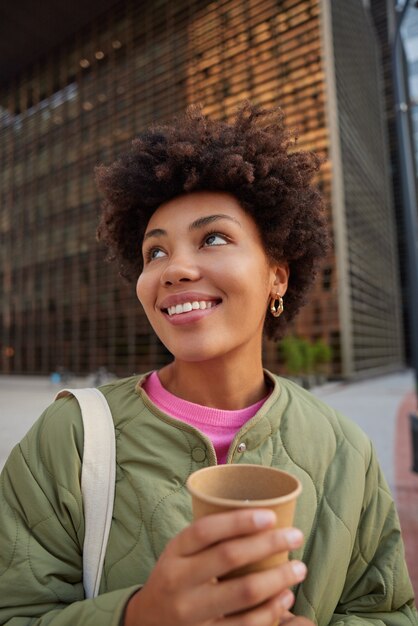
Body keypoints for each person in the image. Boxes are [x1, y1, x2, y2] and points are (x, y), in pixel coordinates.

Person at [0, 103, 416, 626]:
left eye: (213, 238)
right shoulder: (70, 437)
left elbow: (389, 611)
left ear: (278, 276)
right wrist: (138, 617)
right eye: (155, 253)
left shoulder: (346, 451)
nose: (175, 269)